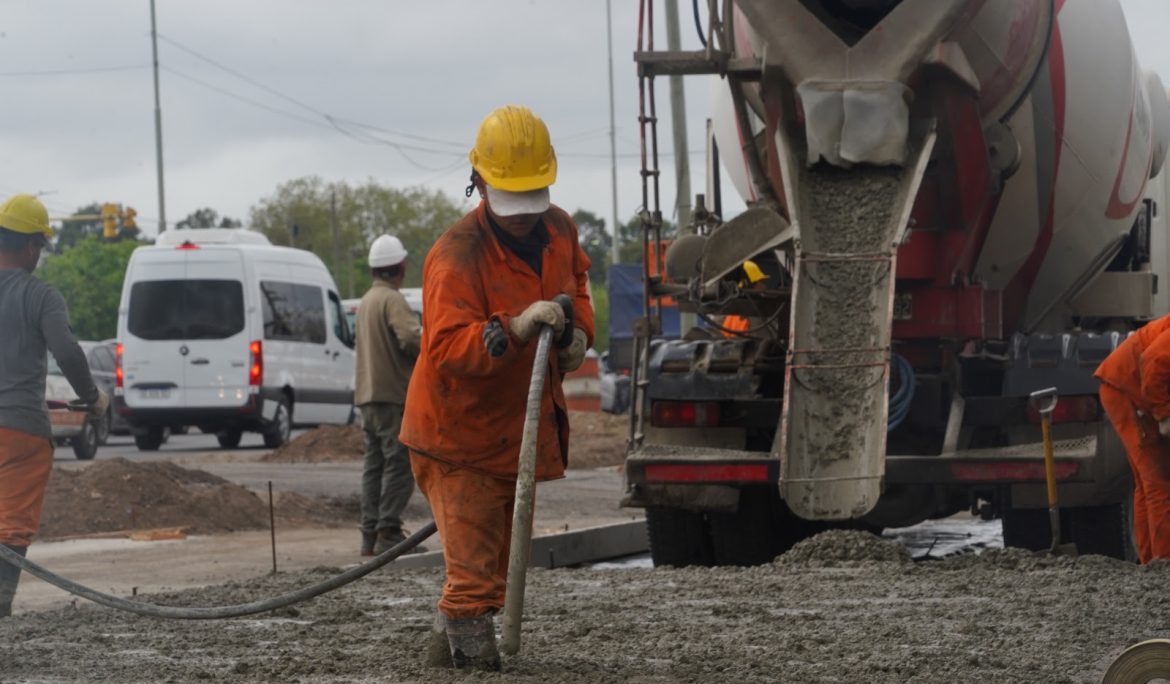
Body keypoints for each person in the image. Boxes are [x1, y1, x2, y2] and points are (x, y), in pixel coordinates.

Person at [399, 105, 593, 671]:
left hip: (510, 433)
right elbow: (447, 347)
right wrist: (510, 328)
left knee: (495, 560)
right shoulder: (456, 255)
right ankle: (476, 661)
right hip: (456, 437)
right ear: (479, 182)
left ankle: (443, 659)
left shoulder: (558, 227)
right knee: (474, 580)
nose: (522, 217)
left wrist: (579, 331)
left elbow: (577, 284)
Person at [0, 193, 107, 617]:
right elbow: (66, 351)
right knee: (9, 525)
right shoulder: (40, 296)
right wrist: (91, 397)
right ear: (30, 246)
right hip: (20, 430)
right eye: (40, 247)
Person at [354, 234, 424, 556]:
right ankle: (389, 532)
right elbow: (411, 338)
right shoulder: (392, 300)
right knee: (399, 462)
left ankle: (369, 535)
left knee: (375, 464)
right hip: (392, 395)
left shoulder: (366, 300)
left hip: (368, 395)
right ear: (400, 267)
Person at [1095, 314, 1170, 564]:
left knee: (1144, 481)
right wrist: (1163, 413)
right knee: (1158, 480)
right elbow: (1153, 362)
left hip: (1131, 387)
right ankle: (1163, 563)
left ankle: (1149, 560)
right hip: (1128, 390)